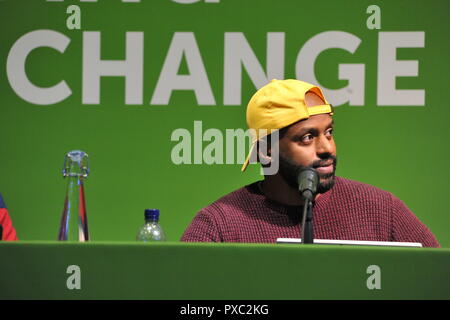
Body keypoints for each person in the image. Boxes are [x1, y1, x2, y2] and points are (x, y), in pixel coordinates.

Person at [181, 79, 440, 248]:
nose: (327, 148)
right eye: (307, 137)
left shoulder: (382, 210)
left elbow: (436, 280)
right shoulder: (218, 226)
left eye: (329, 132)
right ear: (265, 151)